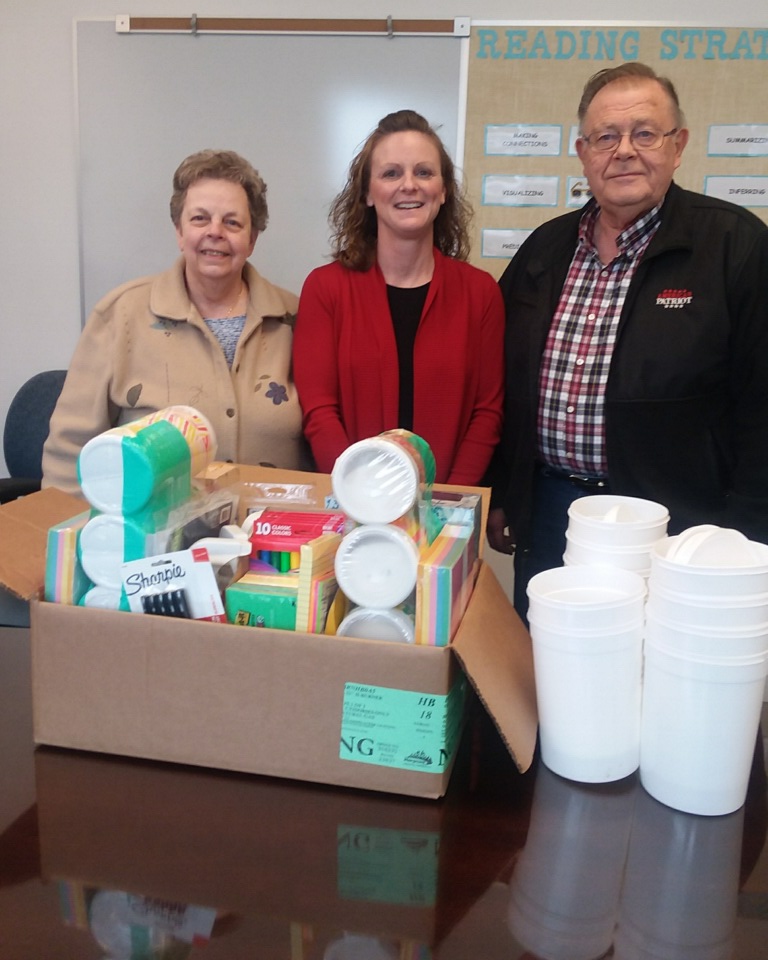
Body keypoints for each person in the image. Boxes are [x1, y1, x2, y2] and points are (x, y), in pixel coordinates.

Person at [487, 63, 768, 620]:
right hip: (552, 512)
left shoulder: (736, 246)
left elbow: (762, 407)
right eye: (606, 137)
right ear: (583, 152)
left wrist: (744, 535)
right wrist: (504, 493)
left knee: (661, 661)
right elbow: (503, 383)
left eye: (645, 133)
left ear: (678, 145)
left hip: (677, 524)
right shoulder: (545, 249)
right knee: (549, 656)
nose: (624, 152)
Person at [42, 149, 308, 494]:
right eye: (200, 219)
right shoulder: (121, 315)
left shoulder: (296, 318)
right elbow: (69, 454)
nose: (215, 232)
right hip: (151, 526)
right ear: (179, 232)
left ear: (252, 239)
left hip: (277, 523)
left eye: (232, 222)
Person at [293, 109, 504, 485]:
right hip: (351, 499)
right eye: (391, 173)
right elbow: (319, 411)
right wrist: (360, 493)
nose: (409, 185)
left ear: (443, 190)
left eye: (424, 172)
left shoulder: (480, 293)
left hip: (449, 505)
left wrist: (447, 500)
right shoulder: (325, 290)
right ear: (367, 193)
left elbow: (486, 414)